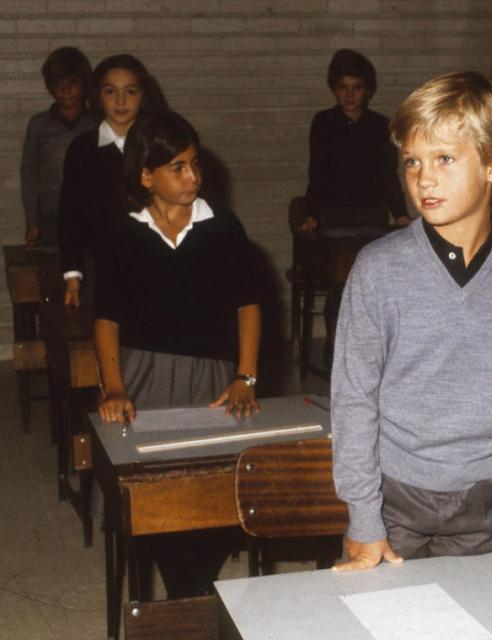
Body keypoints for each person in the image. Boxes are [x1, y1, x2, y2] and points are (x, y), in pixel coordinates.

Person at [331, 71, 492, 571]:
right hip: (393, 499)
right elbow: (353, 398)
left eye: (444, 158)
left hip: (489, 501)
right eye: (413, 161)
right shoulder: (377, 266)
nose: (424, 178)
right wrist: (362, 518)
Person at [94, 111, 261, 596]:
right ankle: (185, 589)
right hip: (144, 376)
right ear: (146, 176)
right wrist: (115, 386)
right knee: (154, 490)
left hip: (213, 375)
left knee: (218, 485)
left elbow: (248, 306)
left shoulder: (223, 227)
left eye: (195, 164)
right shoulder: (121, 233)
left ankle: (194, 586)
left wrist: (245, 377)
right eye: (178, 168)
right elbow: (106, 318)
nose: (193, 177)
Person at [58, 53, 168, 306]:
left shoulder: (158, 143)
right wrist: (73, 273)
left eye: (130, 92)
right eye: (110, 91)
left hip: (157, 259)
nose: (120, 100)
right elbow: (70, 213)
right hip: (104, 265)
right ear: (97, 96)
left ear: (143, 96)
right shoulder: (82, 149)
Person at [301, 48, 408, 232]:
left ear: (367, 90)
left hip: (372, 214)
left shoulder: (381, 126)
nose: (349, 95)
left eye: (356, 87)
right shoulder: (323, 122)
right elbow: (317, 173)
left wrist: (400, 214)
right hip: (333, 214)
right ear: (334, 89)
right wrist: (311, 215)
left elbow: (389, 175)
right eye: (343, 87)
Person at [20, 46, 95, 246]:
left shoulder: (98, 124)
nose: (66, 89)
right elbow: (29, 175)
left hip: (92, 216)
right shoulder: (39, 125)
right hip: (50, 217)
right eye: (58, 83)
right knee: (54, 272)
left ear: (84, 84)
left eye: (73, 82)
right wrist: (32, 220)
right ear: (49, 87)